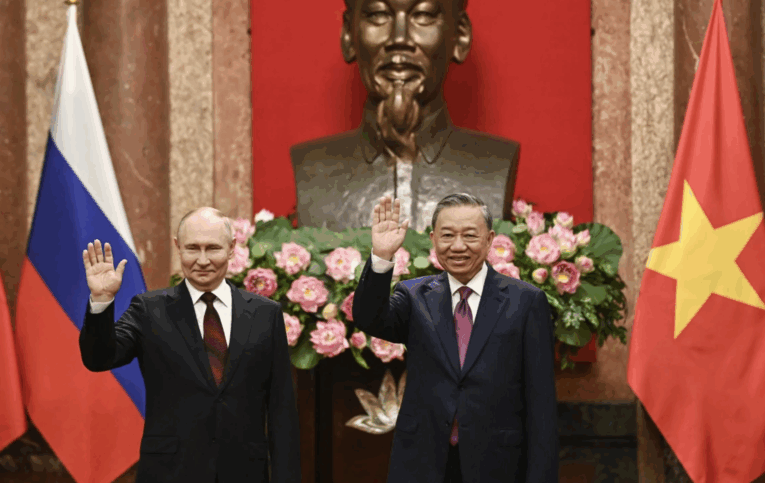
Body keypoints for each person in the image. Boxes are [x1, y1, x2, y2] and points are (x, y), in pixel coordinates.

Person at [79, 207, 301, 483]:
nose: (203, 260)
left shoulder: (265, 314)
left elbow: (282, 411)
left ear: (232, 248)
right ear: (178, 247)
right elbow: (98, 358)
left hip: (245, 473)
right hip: (170, 473)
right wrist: (101, 301)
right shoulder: (148, 310)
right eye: (193, 248)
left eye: (213, 248)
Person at [353, 194, 558, 483]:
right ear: (433, 239)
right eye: (447, 235)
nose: (458, 246)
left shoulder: (525, 302)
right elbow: (368, 318)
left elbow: (541, 404)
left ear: (489, 240)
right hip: (423, 462)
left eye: (470, 236)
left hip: (498, 463)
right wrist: (382, 257)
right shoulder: (414, 296)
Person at [290, 0, 519, 232]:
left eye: (424, 14)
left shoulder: (497, 164)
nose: (399, 39)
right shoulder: (313, 167)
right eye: (378, 14)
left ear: (460, 36)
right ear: (349, 34)